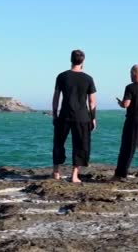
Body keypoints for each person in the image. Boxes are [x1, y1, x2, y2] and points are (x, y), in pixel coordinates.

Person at [52, 49, 97, 183]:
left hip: (64, 114)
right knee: (80, 145)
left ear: (71, 59)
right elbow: (92, 102)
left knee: (58, 143)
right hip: (82, 116)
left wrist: (55, 114)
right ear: (83, 61)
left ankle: (56, 172)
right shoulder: (88, 78)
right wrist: (93, 118)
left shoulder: (62, 76)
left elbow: (56, 98)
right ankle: (74, 175)